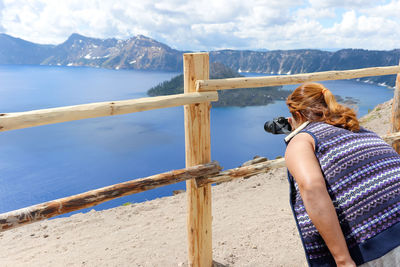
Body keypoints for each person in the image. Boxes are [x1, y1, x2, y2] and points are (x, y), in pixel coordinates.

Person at [284, 82, 400, 267]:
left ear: (297, 115)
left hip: (378, 244)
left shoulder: (302, 140)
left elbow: (312, 188)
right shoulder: (360, 130)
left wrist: (343, 260)